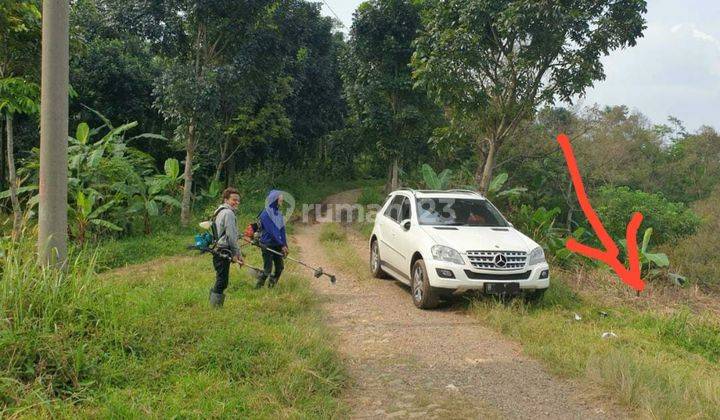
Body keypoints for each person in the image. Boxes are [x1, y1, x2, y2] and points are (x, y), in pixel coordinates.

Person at [209, 188, 244, 307]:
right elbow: (231, 236)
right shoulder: (229, 213)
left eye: (238, 200)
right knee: (222, 281)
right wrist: (236, 254)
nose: (236, 202)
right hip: (223, 249)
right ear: (226, 199)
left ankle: (213, 304)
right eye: (234, 200)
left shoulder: (219, 210)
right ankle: (214, 308)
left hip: (217, 248)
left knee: (220, 278)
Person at [256, 189, 289, 288]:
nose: (282, 200)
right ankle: (258, 287)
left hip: (277, 245)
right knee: (267, 269)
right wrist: (281, 244)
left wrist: (285, 245)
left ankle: (272, 285)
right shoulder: (265, 213)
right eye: (280, 198)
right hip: (267, 244)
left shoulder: (278, 213)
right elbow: (272, 231)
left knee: (280, 268)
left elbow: (282, 231)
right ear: (274, 199)